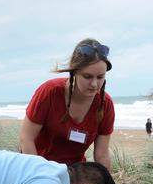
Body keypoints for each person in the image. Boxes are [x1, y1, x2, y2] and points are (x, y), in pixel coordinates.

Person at [20, 38, 114, 171]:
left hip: (74, 172)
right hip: (38, 167)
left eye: (100, 77)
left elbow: (102, 155)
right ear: (74, 71)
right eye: (87, 76)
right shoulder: (49, 92)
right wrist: (40, 175)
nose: (94, 84)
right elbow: (26, 138)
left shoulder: (105, 104)